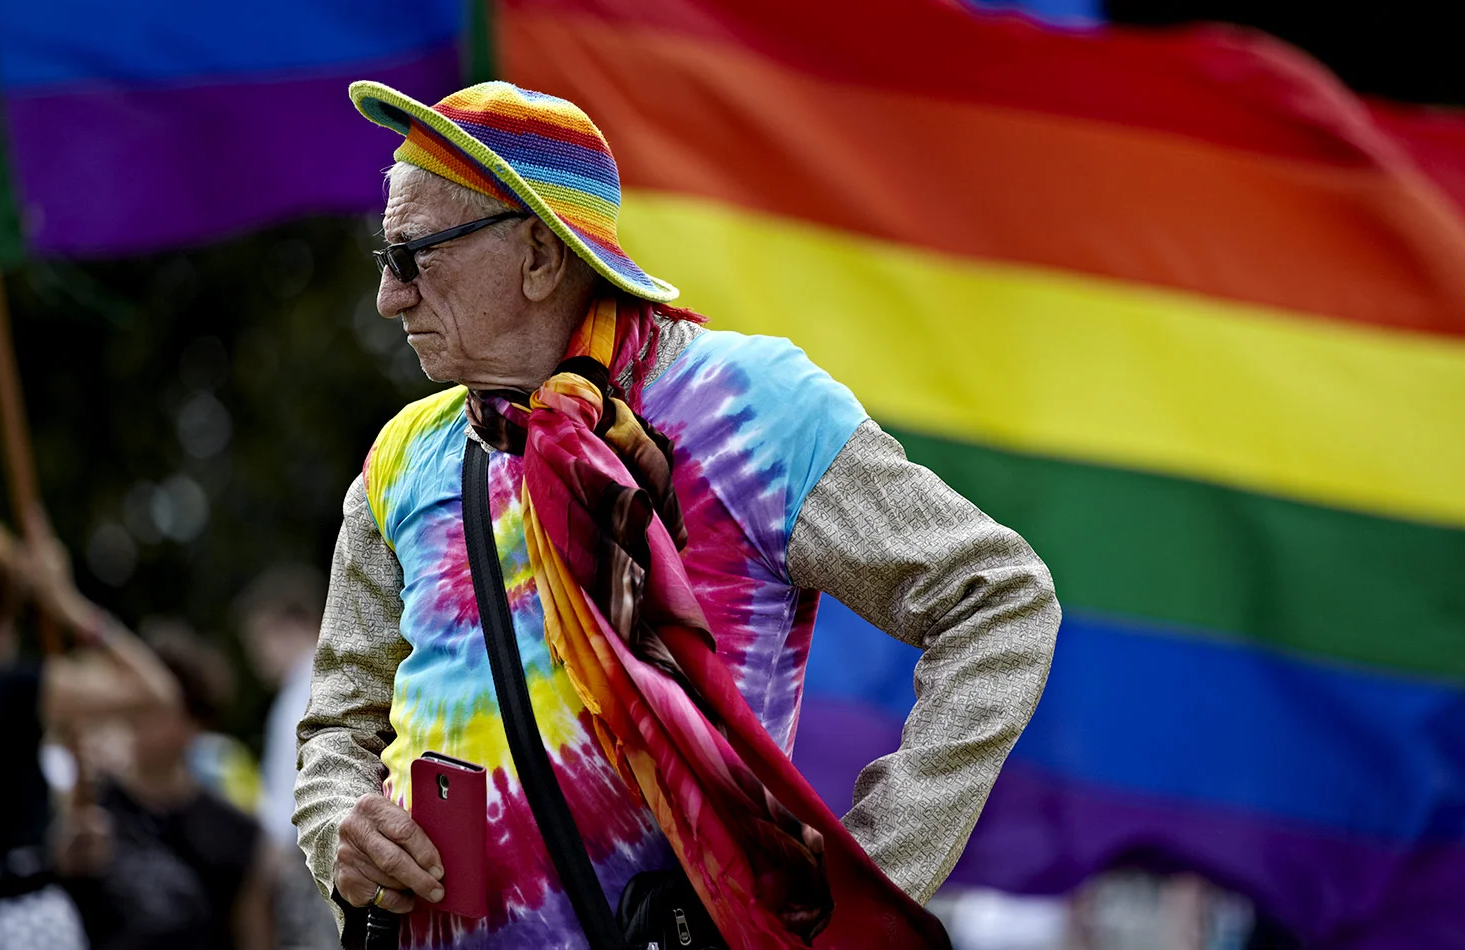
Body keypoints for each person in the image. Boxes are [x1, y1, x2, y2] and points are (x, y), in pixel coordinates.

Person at [295, 81, 1060, 949]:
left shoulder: (752, 406)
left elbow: (999, 600)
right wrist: (338, 832)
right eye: (383, 260)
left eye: (412, 257)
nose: (391, 298)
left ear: (541, 257)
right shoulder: (402, 461)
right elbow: (338, 728)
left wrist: (858, 887)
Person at [0, 511, 178, 950]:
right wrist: (65, 602)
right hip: (23, 919)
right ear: (3, 612)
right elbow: (155, 691)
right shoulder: (20, 688)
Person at [64, 626, 276, 950]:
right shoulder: (88, 813)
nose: (134, 717)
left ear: (194, 722)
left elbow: (254, 937)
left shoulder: (237, 833)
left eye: (153, 706)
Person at [235, 565, 335, 949]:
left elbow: (283, 812)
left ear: (288, 625)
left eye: (257, 639)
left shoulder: (297, 692)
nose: (256, 658)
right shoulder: (337, 678)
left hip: (309, 869)